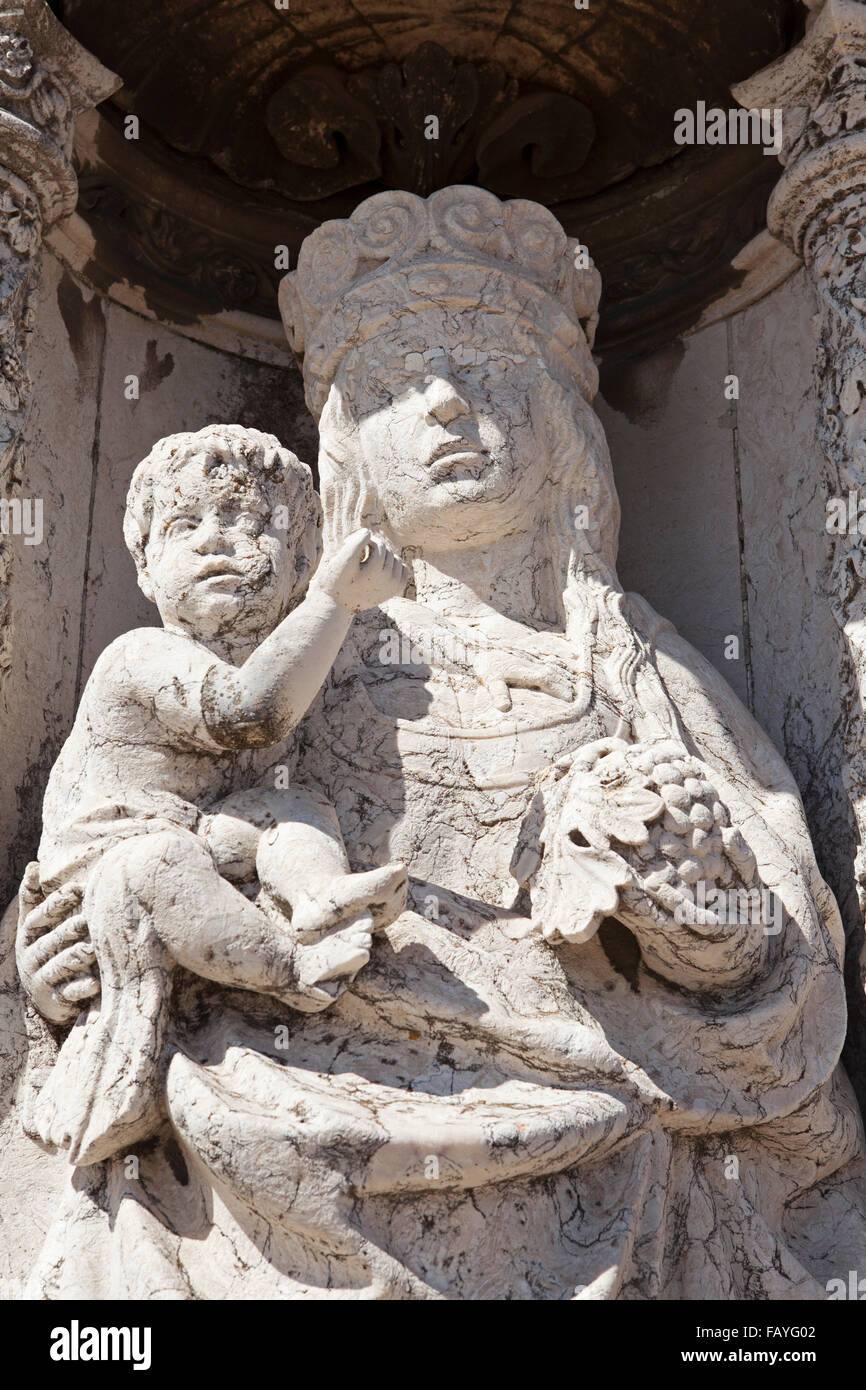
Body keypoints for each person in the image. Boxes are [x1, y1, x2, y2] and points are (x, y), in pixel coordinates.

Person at [14, 188, 866, 1299]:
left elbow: (785, 934)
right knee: (224, 1104)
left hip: (592, 1071)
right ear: (346, 443)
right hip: (302, 1061)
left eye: (485, 372)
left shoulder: (628, 663)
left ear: (560, 421)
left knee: (653, 1137)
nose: (447, 407)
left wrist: (699, 923)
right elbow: (134, 828)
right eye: (397, 383)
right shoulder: (288, 649)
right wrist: (58, 966)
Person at [24, 422, 407, 1166]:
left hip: (199, 836)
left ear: (297, 560)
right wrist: (336, 600)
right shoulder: (140, 656)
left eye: (245, 521)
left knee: (293, 810)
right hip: (107, 868)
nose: (215, 541)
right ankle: (292, 967)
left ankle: (322, 899)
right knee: (160, 863)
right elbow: (249, 712)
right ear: (144, 567)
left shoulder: (317, 667)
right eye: (184, 524)